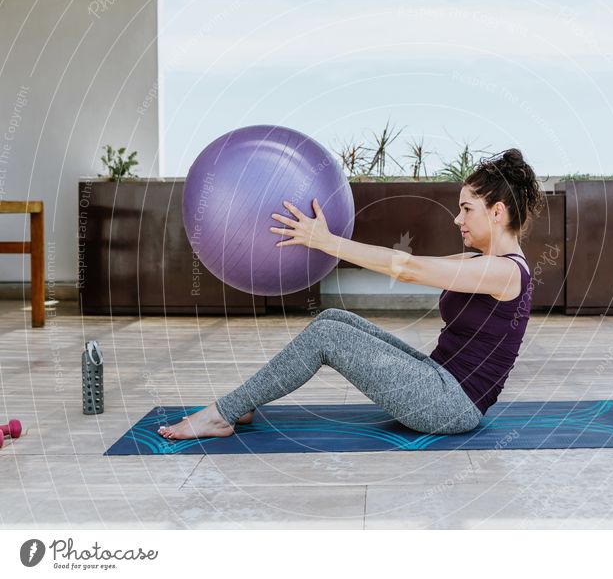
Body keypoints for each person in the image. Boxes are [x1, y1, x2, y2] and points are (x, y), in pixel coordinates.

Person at [158, 148, 541, 440]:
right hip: (438, 378)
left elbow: (406, 269)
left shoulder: (504, 271)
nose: (457, 219)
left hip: (450, 405)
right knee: (332, 320)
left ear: (497, 212)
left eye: (466, 209)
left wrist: (327, 242)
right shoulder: (482, 261)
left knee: (327, 336)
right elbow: (408, 262)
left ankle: (221, 415)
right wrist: (325, 243)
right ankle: (244, 403)